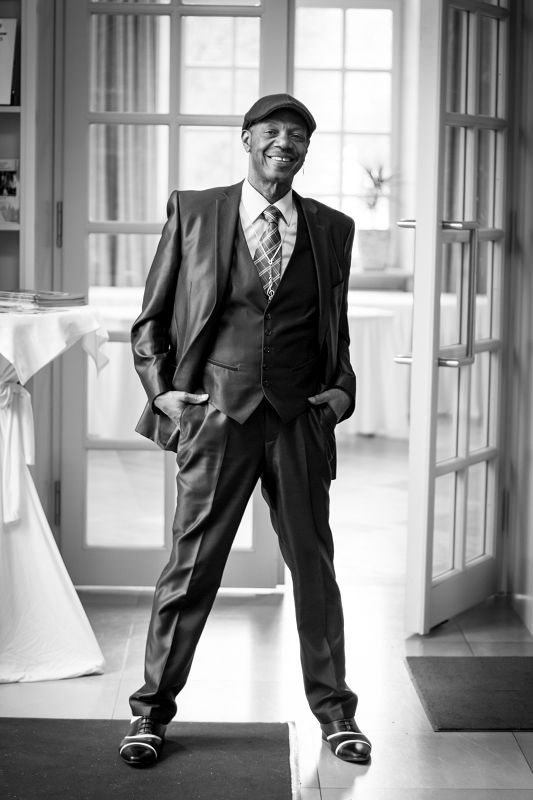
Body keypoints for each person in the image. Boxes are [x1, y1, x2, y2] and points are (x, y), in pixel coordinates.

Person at [119, 93, 372, 768]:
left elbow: (335, 326)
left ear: (306, 150)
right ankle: (150, 715)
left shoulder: (333, 227)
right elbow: (151, 318)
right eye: (272, 132)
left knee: (314, 569)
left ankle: (336, 713)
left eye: (297, 136)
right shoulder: (195, 210)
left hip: (297, 419)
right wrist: (162, 391)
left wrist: (341, 392)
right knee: (191, 568)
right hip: (215, 417)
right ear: (247, 139)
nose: (284, 143)